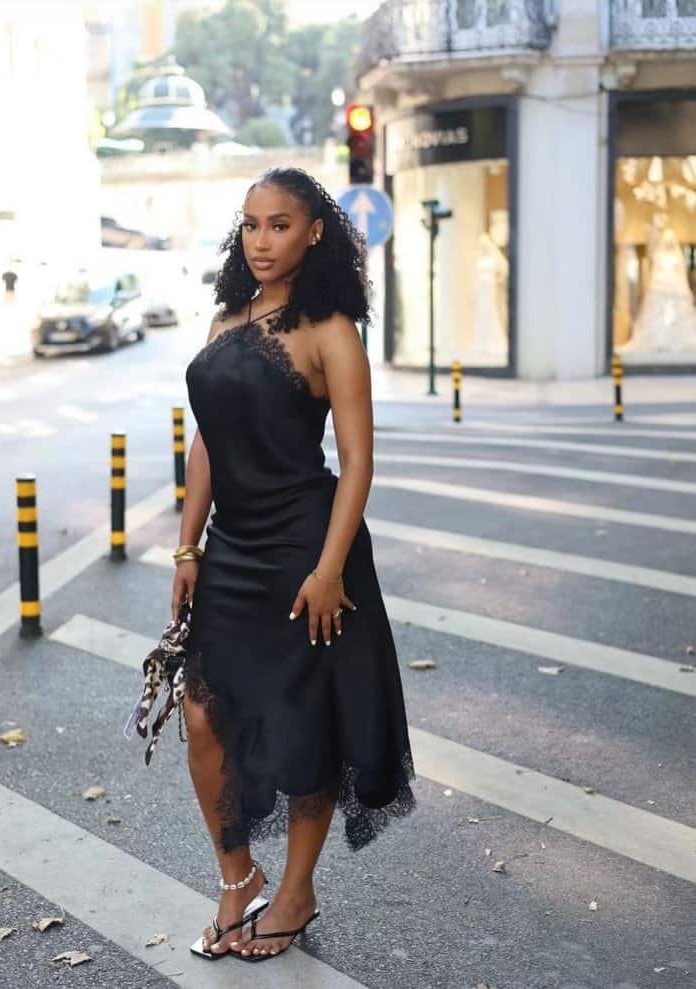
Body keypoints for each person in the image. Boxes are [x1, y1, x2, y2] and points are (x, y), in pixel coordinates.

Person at [172, 166, 416, 964]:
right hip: (234, 550)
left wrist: (330, 567)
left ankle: (298, 889)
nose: (262, 239)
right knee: (203, 717)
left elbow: (356, 461)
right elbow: (206, 440)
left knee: (309, 727)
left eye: (280, 224)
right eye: (250, 224)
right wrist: (187, 544)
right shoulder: (224, 320)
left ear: (316, 232)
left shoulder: (329, 328)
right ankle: (238, 877)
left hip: (308, 550)